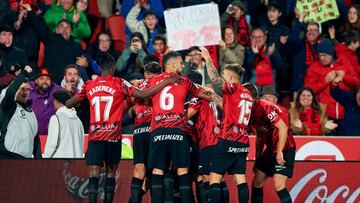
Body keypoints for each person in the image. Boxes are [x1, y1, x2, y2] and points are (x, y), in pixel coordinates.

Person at [65, 52, 179, 203]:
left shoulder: (89, 85)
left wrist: (79, 98)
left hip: (95, 137)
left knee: (93, 174)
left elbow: (68, 104)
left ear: (99, 67)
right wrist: (165, 83)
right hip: (113, 136)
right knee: (111, 174)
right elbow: (144, 93)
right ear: (112, 67)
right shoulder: (119, 83)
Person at [146, 51, 213, 203]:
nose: (183, 65)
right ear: (173, 64)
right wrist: (211, 94)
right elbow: (205, 95)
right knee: (183, 170)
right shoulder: (184, 81)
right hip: (178, 132)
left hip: (158, 132)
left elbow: (138, 93)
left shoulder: (152, 81)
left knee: (158, 170)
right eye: (181, 62)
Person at [200, 47, 254, 203]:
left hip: (228, 139)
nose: (222, 77)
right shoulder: (247, 93)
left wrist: (208, 58)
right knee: (240, 178)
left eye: (225, 75)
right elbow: (228, 106)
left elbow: (215, 79)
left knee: (214, 177)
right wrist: (214, 96)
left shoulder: (233, 88)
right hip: (243, 141)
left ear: (230, 77)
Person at [244, 83, 296, 203]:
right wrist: (257, 159)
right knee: (257, 180)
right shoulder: (250, 112)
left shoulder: (266, 107)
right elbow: (260, 136)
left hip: (285, 148)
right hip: (270, 149)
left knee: (278, 184)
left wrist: (279, 152)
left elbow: (283, 128)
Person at [186, 70, 223, 203]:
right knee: (218, 178)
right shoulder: (209, 95)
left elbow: (187, 115)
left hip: (209, 141)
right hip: (218, 140)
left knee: (206, 178)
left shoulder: (198, 96)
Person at [23, 3, 84, 84]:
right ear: (57, 30)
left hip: (69, 84)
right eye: (62, 26)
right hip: (51, 83)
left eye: (68, 26)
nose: (65, 28)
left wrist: (86, 64)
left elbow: (80, 64)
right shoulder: (50, 39)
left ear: (71, 32)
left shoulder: (77, 46)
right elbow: (38, 26)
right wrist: (30, 11)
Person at [129, 61, 162, 203]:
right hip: (154, 129)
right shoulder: (162, 83)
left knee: (139, 171)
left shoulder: (138, 85)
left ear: (145, 74)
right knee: (156, 171)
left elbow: (131, 108)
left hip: (139, 131)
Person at [304, 38, 360, 122]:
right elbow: (308, 91)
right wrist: (325, 81)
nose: (322, 58)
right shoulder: (313, 68)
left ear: (331, 54)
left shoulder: (344, 62)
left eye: (324, 55)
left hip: (346, 113)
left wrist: (345, 76)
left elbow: (356, 82)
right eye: (320, 55)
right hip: (325, 114)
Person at [0, 66, 41, 159]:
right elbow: (10, 92)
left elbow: (36, 141)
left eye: (27, 89)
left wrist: (39, 162)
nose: (25, 92)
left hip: (24, 160)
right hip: (6, 155)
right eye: (22, 89)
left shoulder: (31, 113)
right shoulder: (8, 106)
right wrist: (24, 73)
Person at [44, 89, 84, 158]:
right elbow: (81, 145)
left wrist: (45, 161)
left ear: (56, 102)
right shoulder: (78, 121)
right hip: (75, 165)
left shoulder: (56, 118)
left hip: (58, 165)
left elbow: (51, 145)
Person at [28, 68, 61, 135]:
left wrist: (72, 91)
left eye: (48, 79)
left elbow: (70, 95)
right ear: (36, 81)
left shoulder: (56, 91)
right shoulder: (30, 91)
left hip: (48, 136)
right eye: (42, 78)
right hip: (30, 136)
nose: (45, 81)